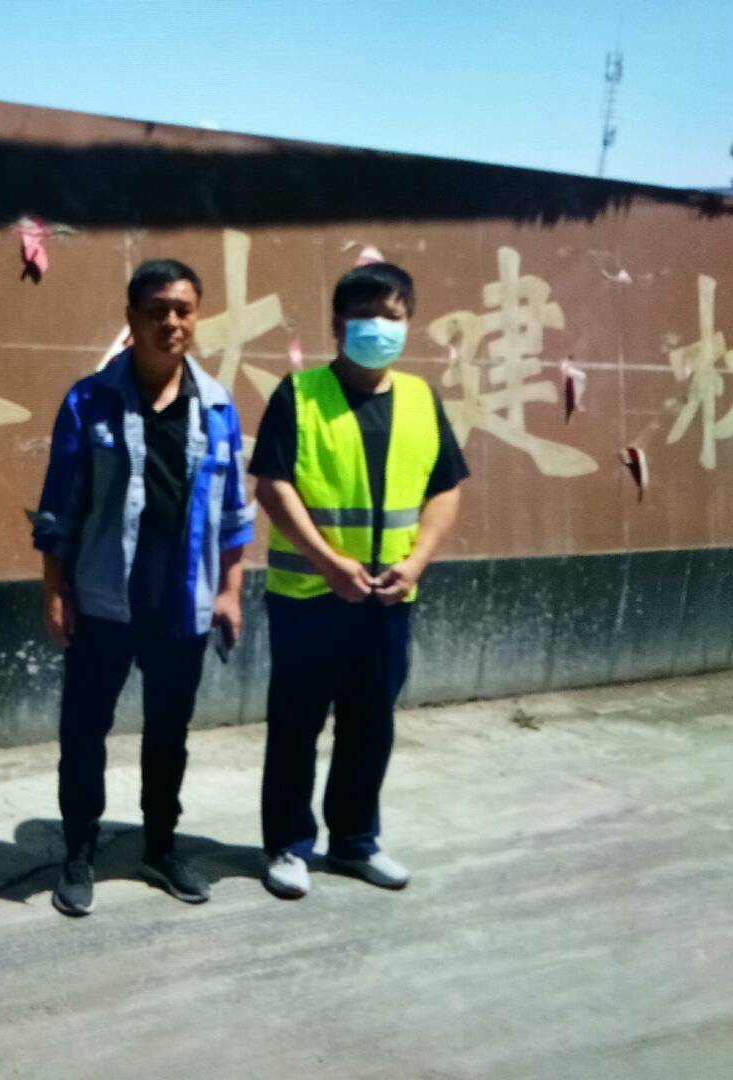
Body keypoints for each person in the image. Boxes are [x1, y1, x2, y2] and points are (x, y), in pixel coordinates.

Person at [33, 259, 255, 917]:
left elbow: (233, 513)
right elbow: (59, 506)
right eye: (157, 310)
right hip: (103, 600)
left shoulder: (217, 407)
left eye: (183, 310)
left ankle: (160, 846)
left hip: (180, 603)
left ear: (197, 317)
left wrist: (230, 590)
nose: (171, 322)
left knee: (168, 733)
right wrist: (55, 589)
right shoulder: (89, 400)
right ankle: (79, 854)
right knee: (84, 732)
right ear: (132, 318)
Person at [250, 262, 468, 900]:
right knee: (295, 726)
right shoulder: (299, 395)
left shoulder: (422, 400)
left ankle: (353, 841)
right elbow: (272, 485)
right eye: (364, 316)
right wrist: (327, 562)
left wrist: (417, 562)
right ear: (338, 325)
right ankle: (288, 845)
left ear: (409, 322)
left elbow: (445, 489)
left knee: (371, 725)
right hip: (308, 599)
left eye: (391, 316)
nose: (379, 327)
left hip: (388, 599)